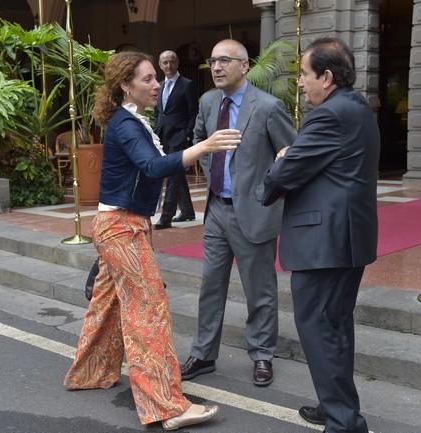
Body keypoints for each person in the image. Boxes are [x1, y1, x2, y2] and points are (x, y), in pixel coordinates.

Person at [64, 51, 241, 431]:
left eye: (155, 78)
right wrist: (205, 147)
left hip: (122, 224)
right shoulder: (127, 124)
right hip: (121, 228)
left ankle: (89, 372)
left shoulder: (131, 120)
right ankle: (166, 407)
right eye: (147, 79)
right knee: (148, 310)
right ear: (126, 85)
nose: (156, 83)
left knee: (108, 304)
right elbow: (153, 166)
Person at [262, 37, 379, 433]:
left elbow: (285, 174)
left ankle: (344, 422)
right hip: (345, 239)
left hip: (324, 243)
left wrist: (280, 160)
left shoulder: (328, 115)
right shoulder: (358, 108)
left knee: (319, 329)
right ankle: (338, 407)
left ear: (327, 77)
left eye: (305, 74)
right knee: (335, 328)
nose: (299, 83)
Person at [179, 39, 296, 387]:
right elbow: (201, 141)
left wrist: (267, 188)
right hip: (217, 208)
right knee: (210, 286)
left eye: (224, 61)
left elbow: (290, 152)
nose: (216, 67)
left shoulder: (268, 107)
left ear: (244, 66)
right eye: (213, 61)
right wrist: (214, 171)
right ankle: (203, 354)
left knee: (259, 290)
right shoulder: (207, 101)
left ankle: (262, 354)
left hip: (254, 211)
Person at [153, 50, 199, 229]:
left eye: (172, 62)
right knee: (177, 173)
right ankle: (187, 211)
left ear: (177, 63)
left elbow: (193, 111)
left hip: (179, 137)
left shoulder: (187, 85)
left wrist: (188, 133)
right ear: (160, 65)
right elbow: (159, 111)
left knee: (172, 176)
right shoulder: (160, 85)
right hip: (163, 136)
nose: (168, 66)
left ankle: (166, 216)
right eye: (165, 62)